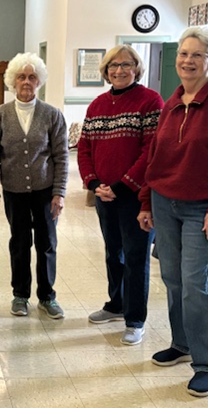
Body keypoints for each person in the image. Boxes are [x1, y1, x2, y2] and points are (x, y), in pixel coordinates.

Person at [138, 27, 208, 397]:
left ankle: (205, 364)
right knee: (172, 279)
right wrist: (146, 200)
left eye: (197, 55)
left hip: (202, 207)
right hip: (164, 202)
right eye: (184, 53)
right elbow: (156, 156)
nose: (187, 61)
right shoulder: (172, 103)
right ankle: (181, 343)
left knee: (194, 284)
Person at [77, 45, 164, 345]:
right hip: (104, 194)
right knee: (113, 251)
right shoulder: (97, 105)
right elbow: (84, 147)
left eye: (126, 64)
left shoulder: (150, 101)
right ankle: (116, 304)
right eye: (113, 65)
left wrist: (122, 185)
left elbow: (151, 151)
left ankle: (135, 319)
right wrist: (94, 184)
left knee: (136, 256)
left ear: (136, 68)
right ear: (106, 70)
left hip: (136, 197)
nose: (119, 70)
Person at [0, 52, 68, 319]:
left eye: (32, 77)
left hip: (45, 191)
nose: (26, 82)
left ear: (39, 81)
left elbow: (61, 157)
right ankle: (20, 295)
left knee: (46, 243)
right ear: (13, 80)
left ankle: (47, 296)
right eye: (21, 76)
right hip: (14, 191)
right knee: (20, 244)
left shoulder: (52, 114)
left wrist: (59, 193)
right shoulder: (1, 115)